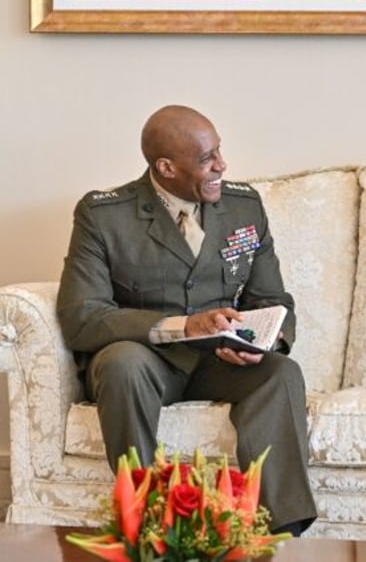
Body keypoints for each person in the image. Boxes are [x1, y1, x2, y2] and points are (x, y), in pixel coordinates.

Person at [57, 105, 316, 536]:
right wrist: (182, 325)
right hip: (147, 361)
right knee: (120, 362)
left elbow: (272, 298)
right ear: (166, 167)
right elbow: (82, 317)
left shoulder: (243, 207)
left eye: (219, 151)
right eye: (206, 159)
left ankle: (283, 530)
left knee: (280, 373)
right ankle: (145, 520)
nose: (221, 165)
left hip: (220, 361)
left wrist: (260, 342)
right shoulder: (104, 216)